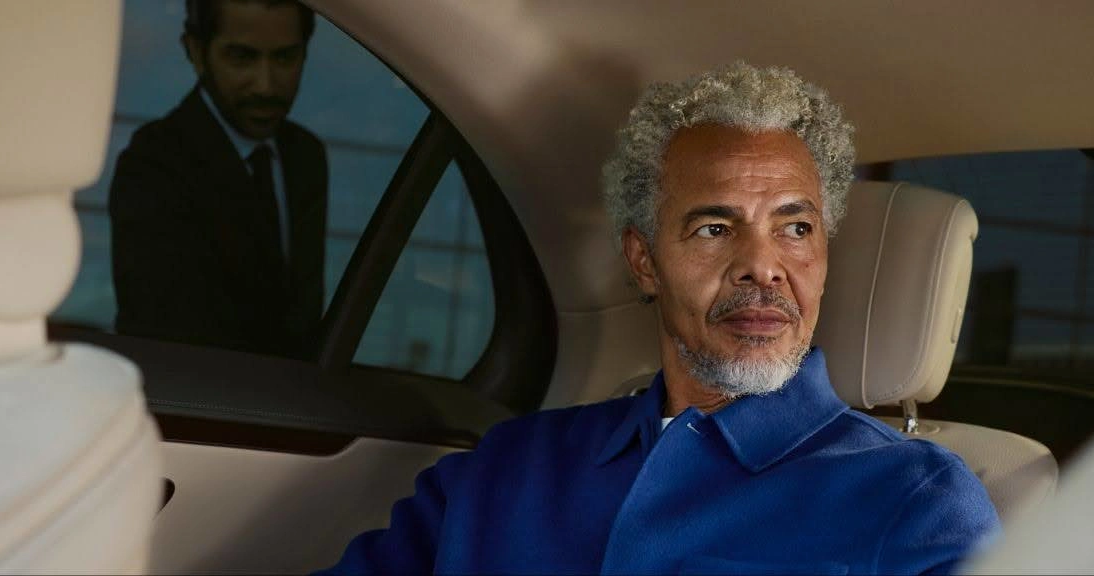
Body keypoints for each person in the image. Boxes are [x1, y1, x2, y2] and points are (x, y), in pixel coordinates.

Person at [321, 62, 999, 575]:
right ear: (644, 262)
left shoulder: (916, 501)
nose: (763, 266)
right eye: (713, 228)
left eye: (795, 228)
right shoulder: (511, 466)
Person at [109, 0, 327, 357]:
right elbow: (164, 334)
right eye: (242, 57)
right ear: (196, 52)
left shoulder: (306, 157)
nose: (266, 86)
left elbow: (302, 316)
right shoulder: (153, 164)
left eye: (286, 57)